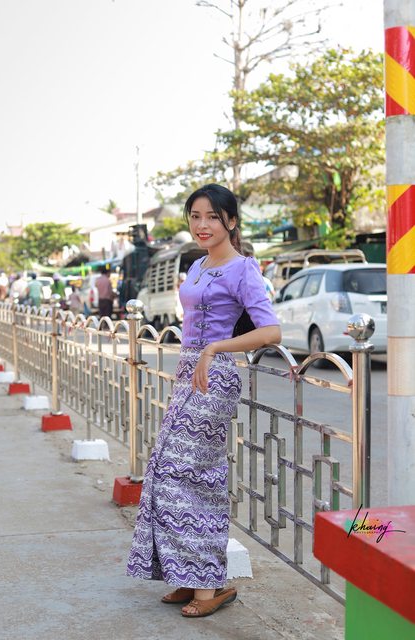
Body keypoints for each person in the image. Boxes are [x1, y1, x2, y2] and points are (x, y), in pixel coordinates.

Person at [126, 184, 281, 618]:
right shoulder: (196, 265)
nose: (202, 224)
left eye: (212, 216)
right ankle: (189, 574)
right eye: (195, 216)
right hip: (187, 375)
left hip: (216, 375)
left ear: (231, 221)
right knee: (166, 470)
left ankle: (210, 584)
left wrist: (216, 348)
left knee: (187, 473)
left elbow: (271, 331)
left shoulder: (243, 268)